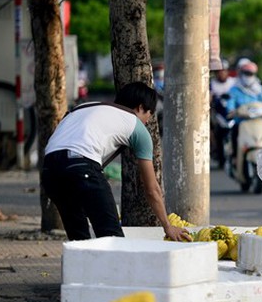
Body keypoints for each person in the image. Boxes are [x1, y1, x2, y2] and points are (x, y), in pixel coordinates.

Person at [41, 82, 191, 242]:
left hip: (50, 171)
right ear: (141, 108)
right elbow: (152, 189)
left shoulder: (85, 108)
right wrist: (168, 226)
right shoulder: (136, 126)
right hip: (82, 166)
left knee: (79, 241)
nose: (147, 122)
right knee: (112, 239)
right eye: (149, 114)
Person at [225, 60, 262, 163]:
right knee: (235, 131)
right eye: (246, 73)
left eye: (250, 73)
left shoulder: (259, 89)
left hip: (257, 121)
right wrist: (231, 111)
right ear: (241, 74)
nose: (248, 76)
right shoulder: (234, 89)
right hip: (241, 121)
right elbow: (230, 103)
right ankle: (235, 157)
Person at [209, 58, 236, 167]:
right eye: (219, 71)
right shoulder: (212, 84)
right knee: (211, 130)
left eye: (223, 70)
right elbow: (208, 98)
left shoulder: (234, 83)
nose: (221, 73)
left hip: (233, 113)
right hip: (218, 114)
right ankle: (214, 148)